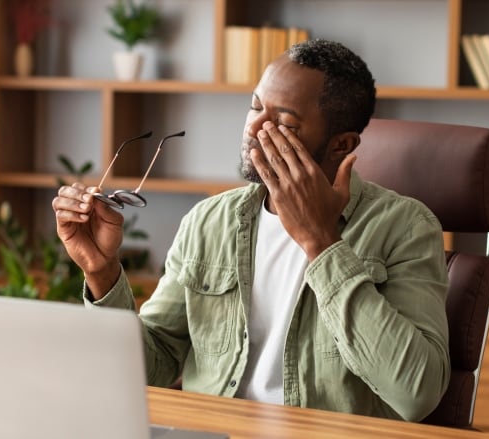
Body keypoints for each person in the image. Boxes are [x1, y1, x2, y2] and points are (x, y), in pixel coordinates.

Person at [52, 39, 450, 422]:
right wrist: (101, 273)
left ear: (340, 145)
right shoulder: (209, 221)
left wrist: (322, 243)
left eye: (283, 122)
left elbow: (416, 394)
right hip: (211, 430)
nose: (255, 127)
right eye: (255, 106)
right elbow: (153, 365)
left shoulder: (406, 228)